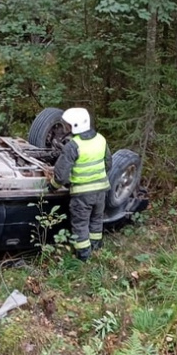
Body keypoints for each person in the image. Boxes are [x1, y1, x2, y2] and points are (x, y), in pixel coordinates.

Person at [52, 107, 112, 261]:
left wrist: (53, 186)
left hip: (82, 194)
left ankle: (83, 257)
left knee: (80, 224)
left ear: (74, 126)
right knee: (96, 220)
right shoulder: (101, 140)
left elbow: (61, 174)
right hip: (101, 191)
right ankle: (97, 248)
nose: (65, 127)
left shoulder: (73, 146)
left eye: (67, 125)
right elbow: (108, 164)